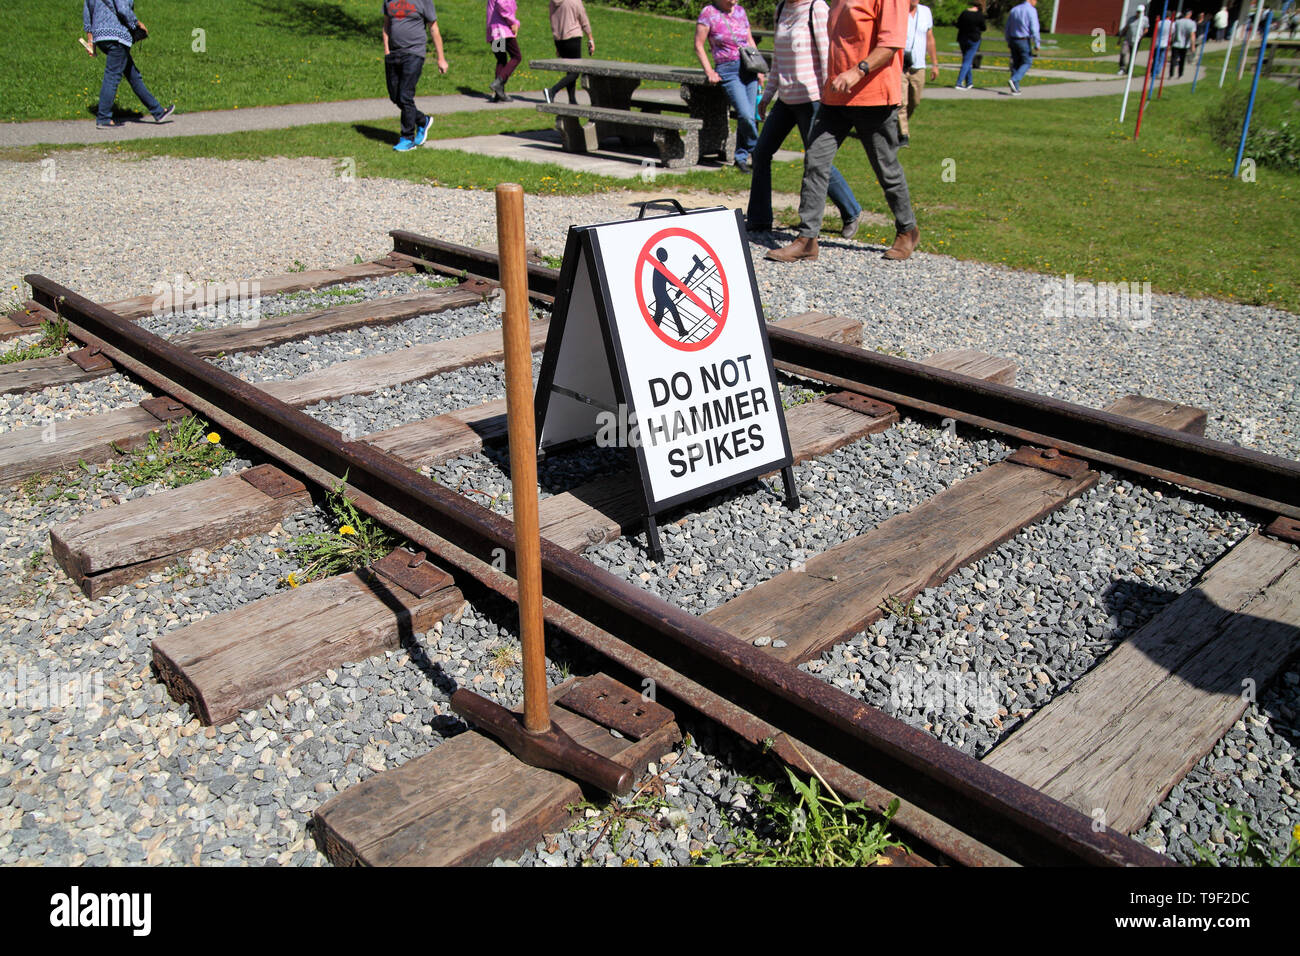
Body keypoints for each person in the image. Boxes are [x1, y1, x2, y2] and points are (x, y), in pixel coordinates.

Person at [766, 0, 920, 263]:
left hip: (874, 97)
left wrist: (857, 71)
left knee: (885, 168)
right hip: (835, 97)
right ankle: (807, 239)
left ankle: (907, 230)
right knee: (815, 161)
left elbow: (891, 43)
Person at [746, 0, 862, 238]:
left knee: (816, 161)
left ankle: (851, 211)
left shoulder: (817, 8)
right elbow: (778, 59)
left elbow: (827, 56)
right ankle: (759, 220)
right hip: (786, 100)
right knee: (761, 152)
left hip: (812, 99)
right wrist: (767, 96)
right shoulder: (781, 9)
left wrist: (828, 99)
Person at [82, 0, 174, 130]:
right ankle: (103, 118)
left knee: (133, 75)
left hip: (101, 37)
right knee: (112, 76)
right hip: (117, 36)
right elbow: (122, 9)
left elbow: (87, 14)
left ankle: (158, 111)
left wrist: (91, 42)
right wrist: (137, 24)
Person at [695, 0, 762, 172]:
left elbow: (749, 40)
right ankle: (760, 151)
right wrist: (709, 71)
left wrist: (759, 68)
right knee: (746, 114)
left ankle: (740, 157)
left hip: (749, 67)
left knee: (749, 116)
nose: (733, 1)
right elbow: (699, 45)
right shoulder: (708, 13)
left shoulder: (740, 11)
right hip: (728, 69)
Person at [383, 0, 448, 153]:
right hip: (393, 54)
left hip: (414, 53)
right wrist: (387, 51)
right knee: (395, 96)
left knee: (405, 95)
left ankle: (407, 138)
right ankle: (422, 120)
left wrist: (441, 58)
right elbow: (386, 25)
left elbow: (434, 28)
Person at [896, 0, 938, 145]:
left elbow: (930, 38)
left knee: (915, 101)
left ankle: (898, 126)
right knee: (901, 102)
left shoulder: (925, 12)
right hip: (900, 64)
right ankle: (904, 135)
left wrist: (935, 64)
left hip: (919, 65)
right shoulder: (897, 10)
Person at [544, 0, 596, 104]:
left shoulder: (552, 2)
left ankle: (572, 99)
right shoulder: (574, 1)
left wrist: (557, 45)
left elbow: (552, 20)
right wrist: (590, 37)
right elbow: (583, 19)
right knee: (575, 72)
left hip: (559, 40)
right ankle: (552, 91)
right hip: (573, 37)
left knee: (570, 70)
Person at [486, 0, 521, 102]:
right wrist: (513, 22)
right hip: (502, 29)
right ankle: (498, 82)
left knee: (501, 59)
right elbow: (503, 4)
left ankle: (498, 94)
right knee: (516, 56)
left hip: (494, 31)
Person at [1003, 0, 1039, 95]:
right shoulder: (1031, 10)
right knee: (1027, 62)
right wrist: (1037, 43)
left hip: (1013, 39)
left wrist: (1008, 40)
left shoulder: (1014, 9)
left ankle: (1015, 88)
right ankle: (1014, 79)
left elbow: (1007, 27)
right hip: (1023, 39)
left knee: (1016, 63)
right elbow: (1034, 28)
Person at [954, 1, 986, 89]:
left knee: (966, 59)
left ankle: (969, 82)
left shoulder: (964, 13)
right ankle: (959, 82)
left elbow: (958, 24)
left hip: (962, 38)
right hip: (974, 39)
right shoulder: (979, 15)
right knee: (967, 61)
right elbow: (983, 27)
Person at [1117, 7, 1149, 75]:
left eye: (1140, 12)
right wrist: (1120, 38)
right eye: (1137, 12)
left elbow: (1146, 29)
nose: (1138, 13)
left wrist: (1141, 37)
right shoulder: (1131, 19)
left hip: (1136, 41)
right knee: (1123, 53)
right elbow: (1126, 28)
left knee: (1132, 56)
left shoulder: (1145, 19)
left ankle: (1129, 70)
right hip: (1128, 40)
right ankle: (1122, 68)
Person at [1170, 9, 1196, 79]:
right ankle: (1180, 74)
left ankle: (1171, 74)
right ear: (1189, 14)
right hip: (1185, 44)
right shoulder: (1192, 23)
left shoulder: (1177, 22)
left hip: (1176, 43)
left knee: (1173, 59)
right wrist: (1193, 45)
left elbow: (1173, 32)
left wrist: (1171, 41)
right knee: (1182, 60)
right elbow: (1192, 35)